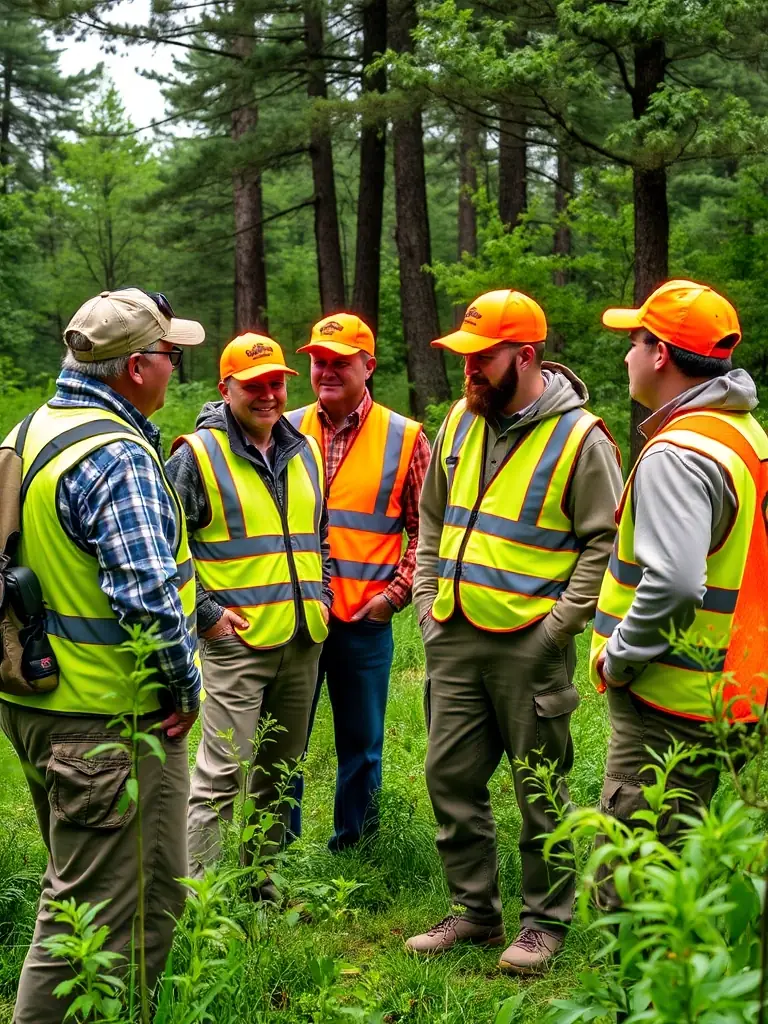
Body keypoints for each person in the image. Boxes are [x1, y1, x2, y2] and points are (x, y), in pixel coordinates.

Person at [0, 288, 204, 1024]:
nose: (176, 369)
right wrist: (184, 691)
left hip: (34, 703)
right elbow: (147, 594)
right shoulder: (116, 455)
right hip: (110, 723)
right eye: (172, 356)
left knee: (106, 893)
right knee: (87, 916)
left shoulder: (30, 433)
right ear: (137, 366)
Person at [408, 289, 623, 973]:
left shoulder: (581, 438)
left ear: (524, 357)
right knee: (450, 778)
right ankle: (473, 912)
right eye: (464, 356)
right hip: (454, 634)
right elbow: (432, 517)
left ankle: (543, 925)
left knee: (539, 787)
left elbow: (605, 541)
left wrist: (558, 629)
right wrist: (425, 598)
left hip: (531, 645)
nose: (468, 369)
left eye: (481, 357)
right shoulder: (458, 420)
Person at [591, 279, 768, 906]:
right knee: (685, 872)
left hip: (672, 700)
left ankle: (636, 998)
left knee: (634, 884)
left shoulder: (679, 452)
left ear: (661, 353)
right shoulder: (744, 434)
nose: (626, 357)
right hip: (732, 692)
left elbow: (674, 581)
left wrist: (620, 656)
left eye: (633, 343)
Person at [166, 334, 332, 880]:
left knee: (279, 776)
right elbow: (166, 550)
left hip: (303, 638)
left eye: (276, 383)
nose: (267, 395)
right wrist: (207, 614)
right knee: (219, 779)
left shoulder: (304, 448)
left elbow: (318, 537)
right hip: (236, 647)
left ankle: (264, 887)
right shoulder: (196, 455)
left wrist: (323, 596)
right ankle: (199, 907)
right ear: (226, 389)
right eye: (253, 385)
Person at [286, 312, 429, 851]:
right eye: (319, 361)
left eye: (340, 362)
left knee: (362, 744)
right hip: (297, 616)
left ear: (368, 366)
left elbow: (425, 531)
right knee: (284, 743)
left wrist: (392, 597)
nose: (326, 371)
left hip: (363, 622)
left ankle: (357, 847)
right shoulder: (284, 426)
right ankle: (277, 850)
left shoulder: (406, 437)